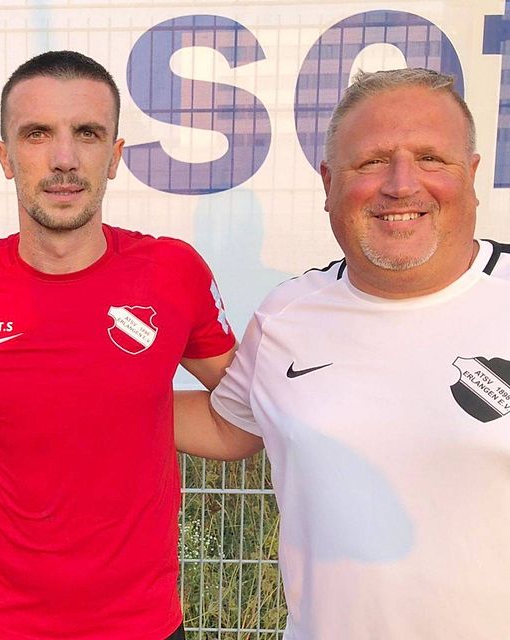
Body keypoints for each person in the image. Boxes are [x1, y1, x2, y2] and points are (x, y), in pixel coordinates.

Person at [176, 67, 510, 639]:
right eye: (372, 161)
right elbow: (227, 424)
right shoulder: (287, 316)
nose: (402, 184)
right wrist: (49, 393)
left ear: (473, 174)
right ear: (329, 181)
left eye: (431, 157)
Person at [0, 50, 238, 640]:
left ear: (115, 157)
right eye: (37, 134)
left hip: (141, 625)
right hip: (1, 624)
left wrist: (134, 407)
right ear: (5, 157)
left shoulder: (172, 271)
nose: (64, 159)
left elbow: (244, 402)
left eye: (87, 134)